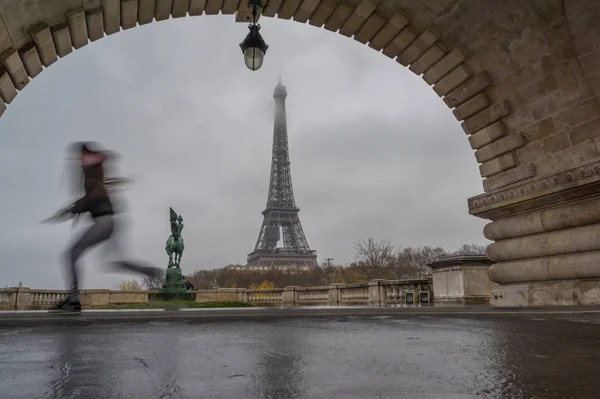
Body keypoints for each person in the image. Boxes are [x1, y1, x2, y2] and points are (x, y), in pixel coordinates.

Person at [44, 142, 162, 313]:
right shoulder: (94, 172)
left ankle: (74, 299)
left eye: (78, 156)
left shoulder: (92, 172)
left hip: (104, 222)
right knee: (113, 262)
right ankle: (153, 272)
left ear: (84, 155)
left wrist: (71, 210)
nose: (76, 161)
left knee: (72, 253)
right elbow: (94, 193)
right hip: (109, 222)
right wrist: (73, 208)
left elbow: (93, 195)